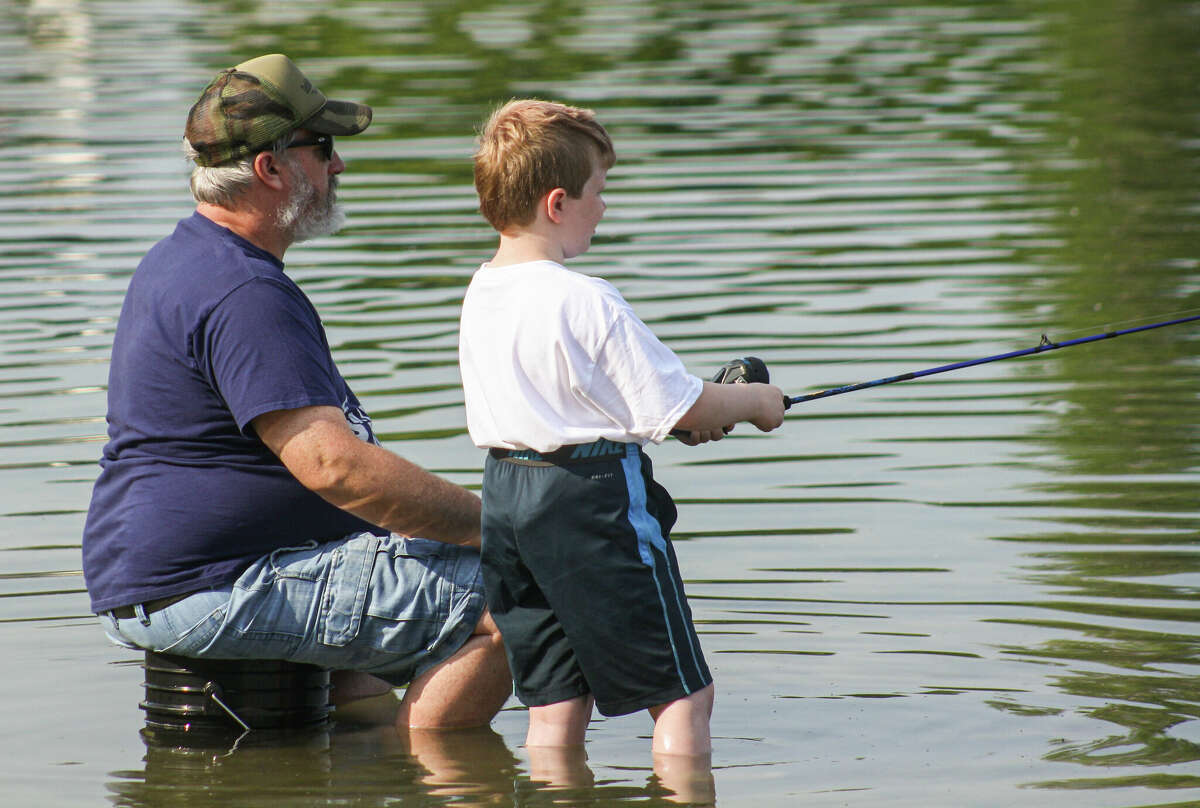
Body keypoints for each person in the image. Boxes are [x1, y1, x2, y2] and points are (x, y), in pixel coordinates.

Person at [81, 54, 511, 729]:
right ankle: (423, 781)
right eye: (324, 149)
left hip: (175, 576)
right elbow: (334, 466)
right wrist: (501, 527)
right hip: (216, 584)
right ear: (270, 169)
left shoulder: (183, 258)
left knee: (375, 651)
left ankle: (360, 768)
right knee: (522, 595)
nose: (337, 167)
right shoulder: (246, 291)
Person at [458, 99, 786, 758]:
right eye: (597, 192)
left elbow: (595, 401)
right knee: (682, 695)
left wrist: (675, 418)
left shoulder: (482, 292)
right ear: (557, 203)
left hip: (505, 498)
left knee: (553, 702)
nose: (603, 206)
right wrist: (754, 400)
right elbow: (686, 407)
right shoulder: (587, 299)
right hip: (592, 497)